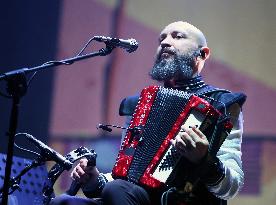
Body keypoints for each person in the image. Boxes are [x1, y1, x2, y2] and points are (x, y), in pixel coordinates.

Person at [50, 21, 246, 205]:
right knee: (63, 202)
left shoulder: (223, 104)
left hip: (184, 199)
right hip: (135, 194)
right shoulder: (142, 104)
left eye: (177, 37)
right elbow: (127, 171)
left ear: (202, 54)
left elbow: (231, 186)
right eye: (161, 39)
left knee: (117, 190)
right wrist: (94, 180)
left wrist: (204, 160)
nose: (166, 42)